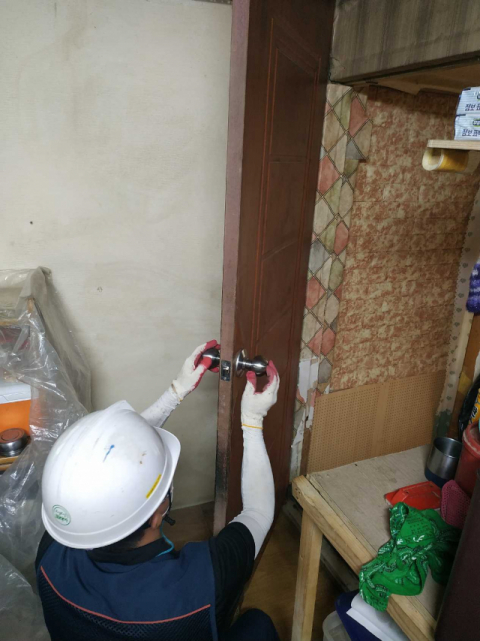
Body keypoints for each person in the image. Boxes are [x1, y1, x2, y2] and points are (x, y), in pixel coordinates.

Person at [36, 340, 281, 641]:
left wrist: (175, 392)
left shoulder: (53, 549)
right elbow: (258, 512)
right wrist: (253, 422)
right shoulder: (197, 584)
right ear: (155, 516)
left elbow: (115, 454)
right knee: (258, 625)